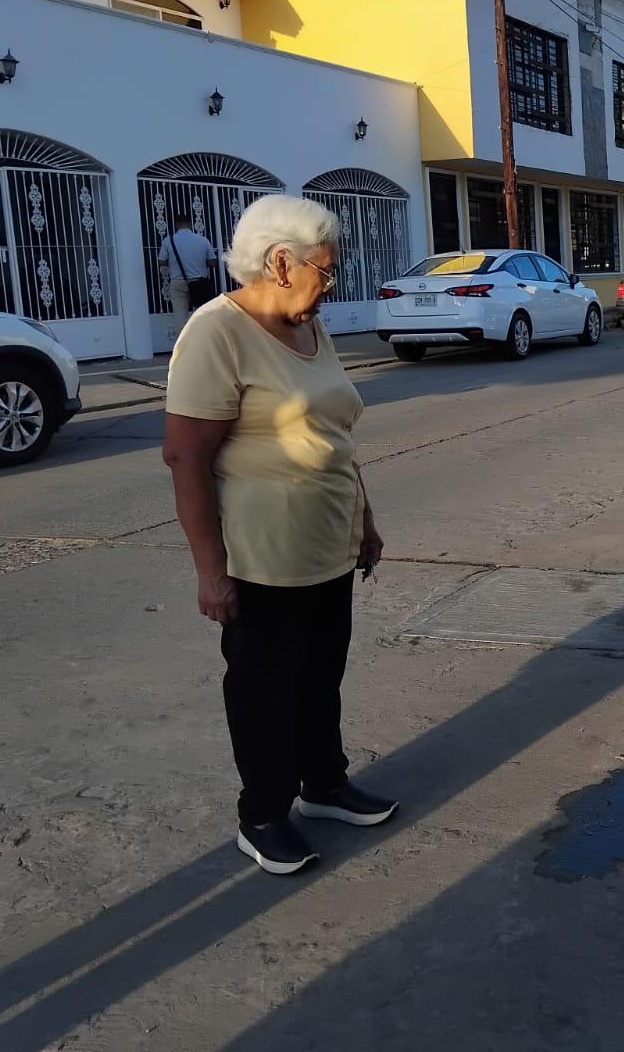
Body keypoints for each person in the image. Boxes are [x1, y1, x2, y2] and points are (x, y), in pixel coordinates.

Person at [162, 195, 395, 875]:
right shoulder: (216, 331)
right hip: (262, 557)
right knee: (265, 690)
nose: (333, 285)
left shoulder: (309, 327)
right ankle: (263, 814)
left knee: (322, 676)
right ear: (282, 263)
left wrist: (365, 520)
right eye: (327, 271)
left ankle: (323, 784)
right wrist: (211, 572)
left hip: (329, 542)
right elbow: (185, 458)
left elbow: (333, 435)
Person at [158, 214, 218, 324]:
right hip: (199, 282)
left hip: (178, 281)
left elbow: (161, 261)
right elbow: (213, 262)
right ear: (191, 224)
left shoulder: (169, 240)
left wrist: (173, 262)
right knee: (202, 313)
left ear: (176, 224)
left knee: (180, 314)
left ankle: (182, 335)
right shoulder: (203, 240)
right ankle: (202, 333)